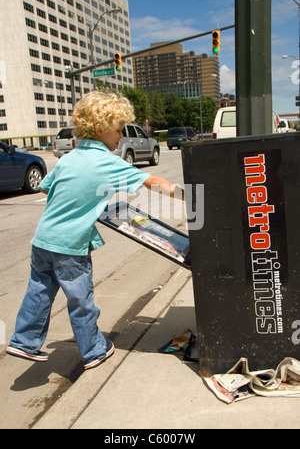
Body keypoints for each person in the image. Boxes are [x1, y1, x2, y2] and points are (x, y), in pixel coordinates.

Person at [6, 91, 184, 371]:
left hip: (43, 240)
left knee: (38, 291)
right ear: (101, 129)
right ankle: (94, 351)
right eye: (119, 128)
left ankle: (24, 342)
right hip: (69, 246)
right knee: (80, 301)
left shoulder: (68, 158)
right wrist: (194, 197)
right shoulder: (108, 163)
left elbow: (45, 186)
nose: (122, 135)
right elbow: (152, 181)